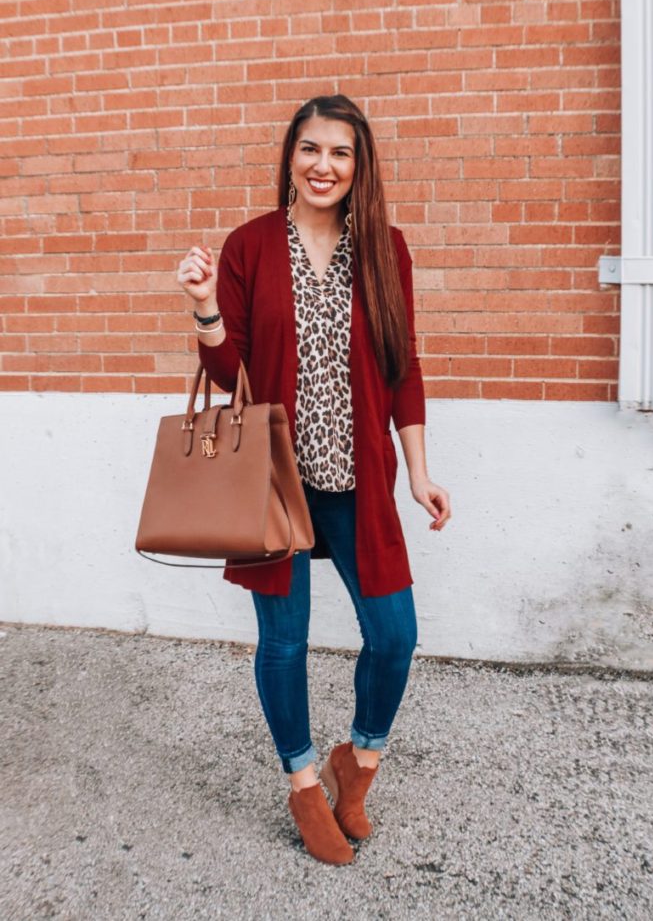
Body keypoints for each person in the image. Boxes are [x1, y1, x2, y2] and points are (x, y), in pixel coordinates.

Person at [177, 94, 451, 866]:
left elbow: (403, 367)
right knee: (284, 644)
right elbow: (227, 373)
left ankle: (356, 763)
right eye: (309, 149)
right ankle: (301, 782)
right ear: (288, 158)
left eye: (339, 152)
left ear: (358, 166)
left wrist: (419, 475)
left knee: (394, 637)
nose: (322, 165)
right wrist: (205, 307)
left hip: (359, 479)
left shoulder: (384, 248)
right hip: (274, 481)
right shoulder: (251, 246)